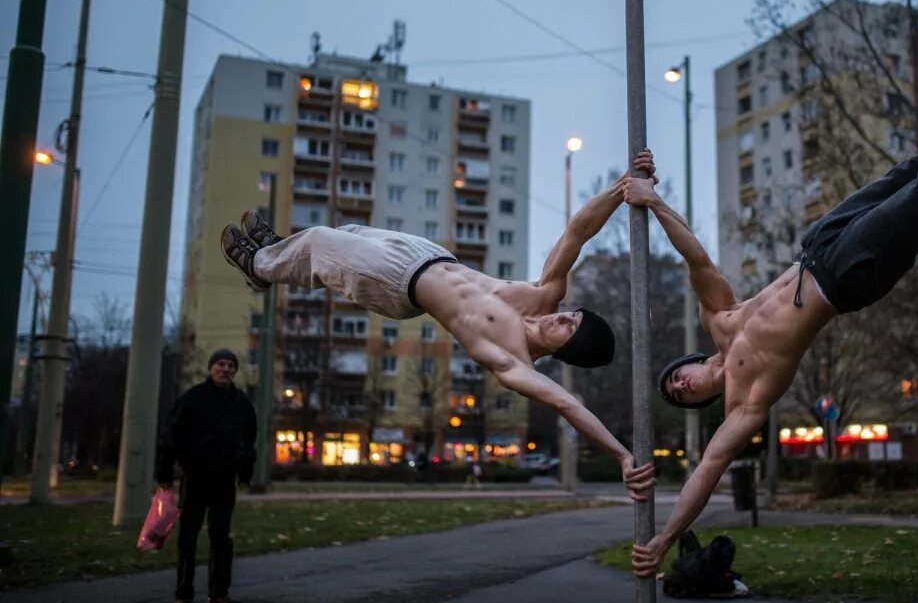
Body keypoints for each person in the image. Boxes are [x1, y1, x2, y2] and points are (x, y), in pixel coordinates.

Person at [627, 36, 918, 577]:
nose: (678, 387)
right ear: (698, 400)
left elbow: (695, 257)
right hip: (846, 277)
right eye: (677, 397)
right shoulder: (746, 401)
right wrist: (664, 538)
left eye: (673, 379)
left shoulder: (721, 319)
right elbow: (708, 472)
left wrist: (653, 199)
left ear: (688, 363)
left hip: (820, 244)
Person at [220, 173, 655, 501]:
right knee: (347, 233)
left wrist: (621, 456)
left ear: (567, 349)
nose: (562, 317)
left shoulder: (513, 362)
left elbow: (567, 404)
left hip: (399, 284)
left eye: (569, 328)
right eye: (571, 314)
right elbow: (577, 232)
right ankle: (275, 251)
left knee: (320, 242)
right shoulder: (542, 297)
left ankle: (259, 265)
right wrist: (622, 189)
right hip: (428, 254)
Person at [155, 348, 258, 603]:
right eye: (220, 365)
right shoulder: (193, 399)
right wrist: (164, 475)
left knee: (221, 538)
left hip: (225, 480)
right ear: (211, 369)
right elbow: (169, 437)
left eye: (231, 366)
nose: (226, 369)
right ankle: (184, 595)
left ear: (235, 371)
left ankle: (219, 593)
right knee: (188, 537)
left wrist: (245, 473)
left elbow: (249, 441)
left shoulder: (241, 403)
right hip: (196, 477)